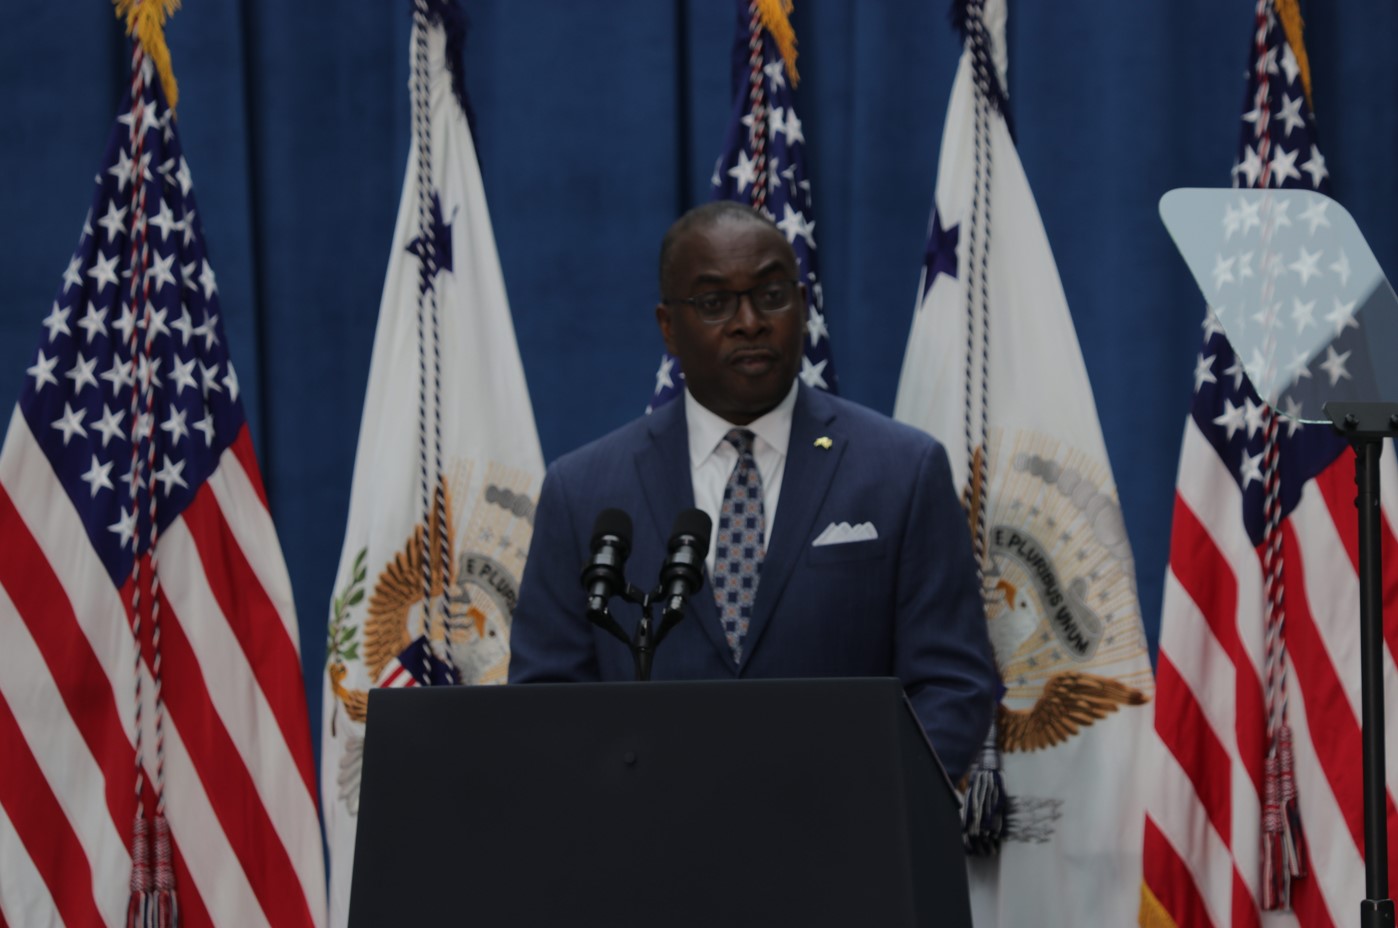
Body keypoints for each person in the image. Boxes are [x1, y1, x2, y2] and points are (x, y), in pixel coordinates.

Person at [508, 200, 995, 780]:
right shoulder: (583, 490)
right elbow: (546, 698)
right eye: (714, 303)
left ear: (803, 305)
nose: (749, 322)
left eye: (771, 295)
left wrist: (873, 811)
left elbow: (953, 683)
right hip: (649, 852)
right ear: (669, 327)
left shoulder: (901, 471)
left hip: (851, 850)